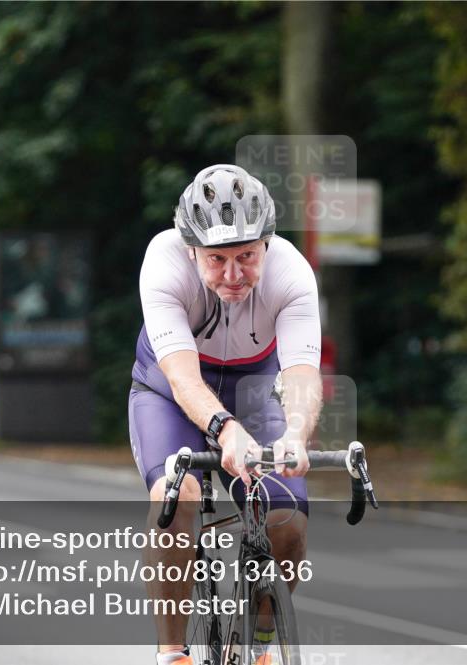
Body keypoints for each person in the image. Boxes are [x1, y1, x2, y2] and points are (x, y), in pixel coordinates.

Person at [129, 164, 324, 665]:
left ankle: (258, 644)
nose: (234, 275)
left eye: (246, 256)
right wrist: (223, 429)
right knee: (179, 498)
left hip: (254, 391)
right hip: (170, 393)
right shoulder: (163, 261)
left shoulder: (292, 272)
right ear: (191, 249)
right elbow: (182, 379)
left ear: (267, 245)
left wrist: (297, 433)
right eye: (216, 260)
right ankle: (172, 651)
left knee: (287, 519)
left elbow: (301, 375)